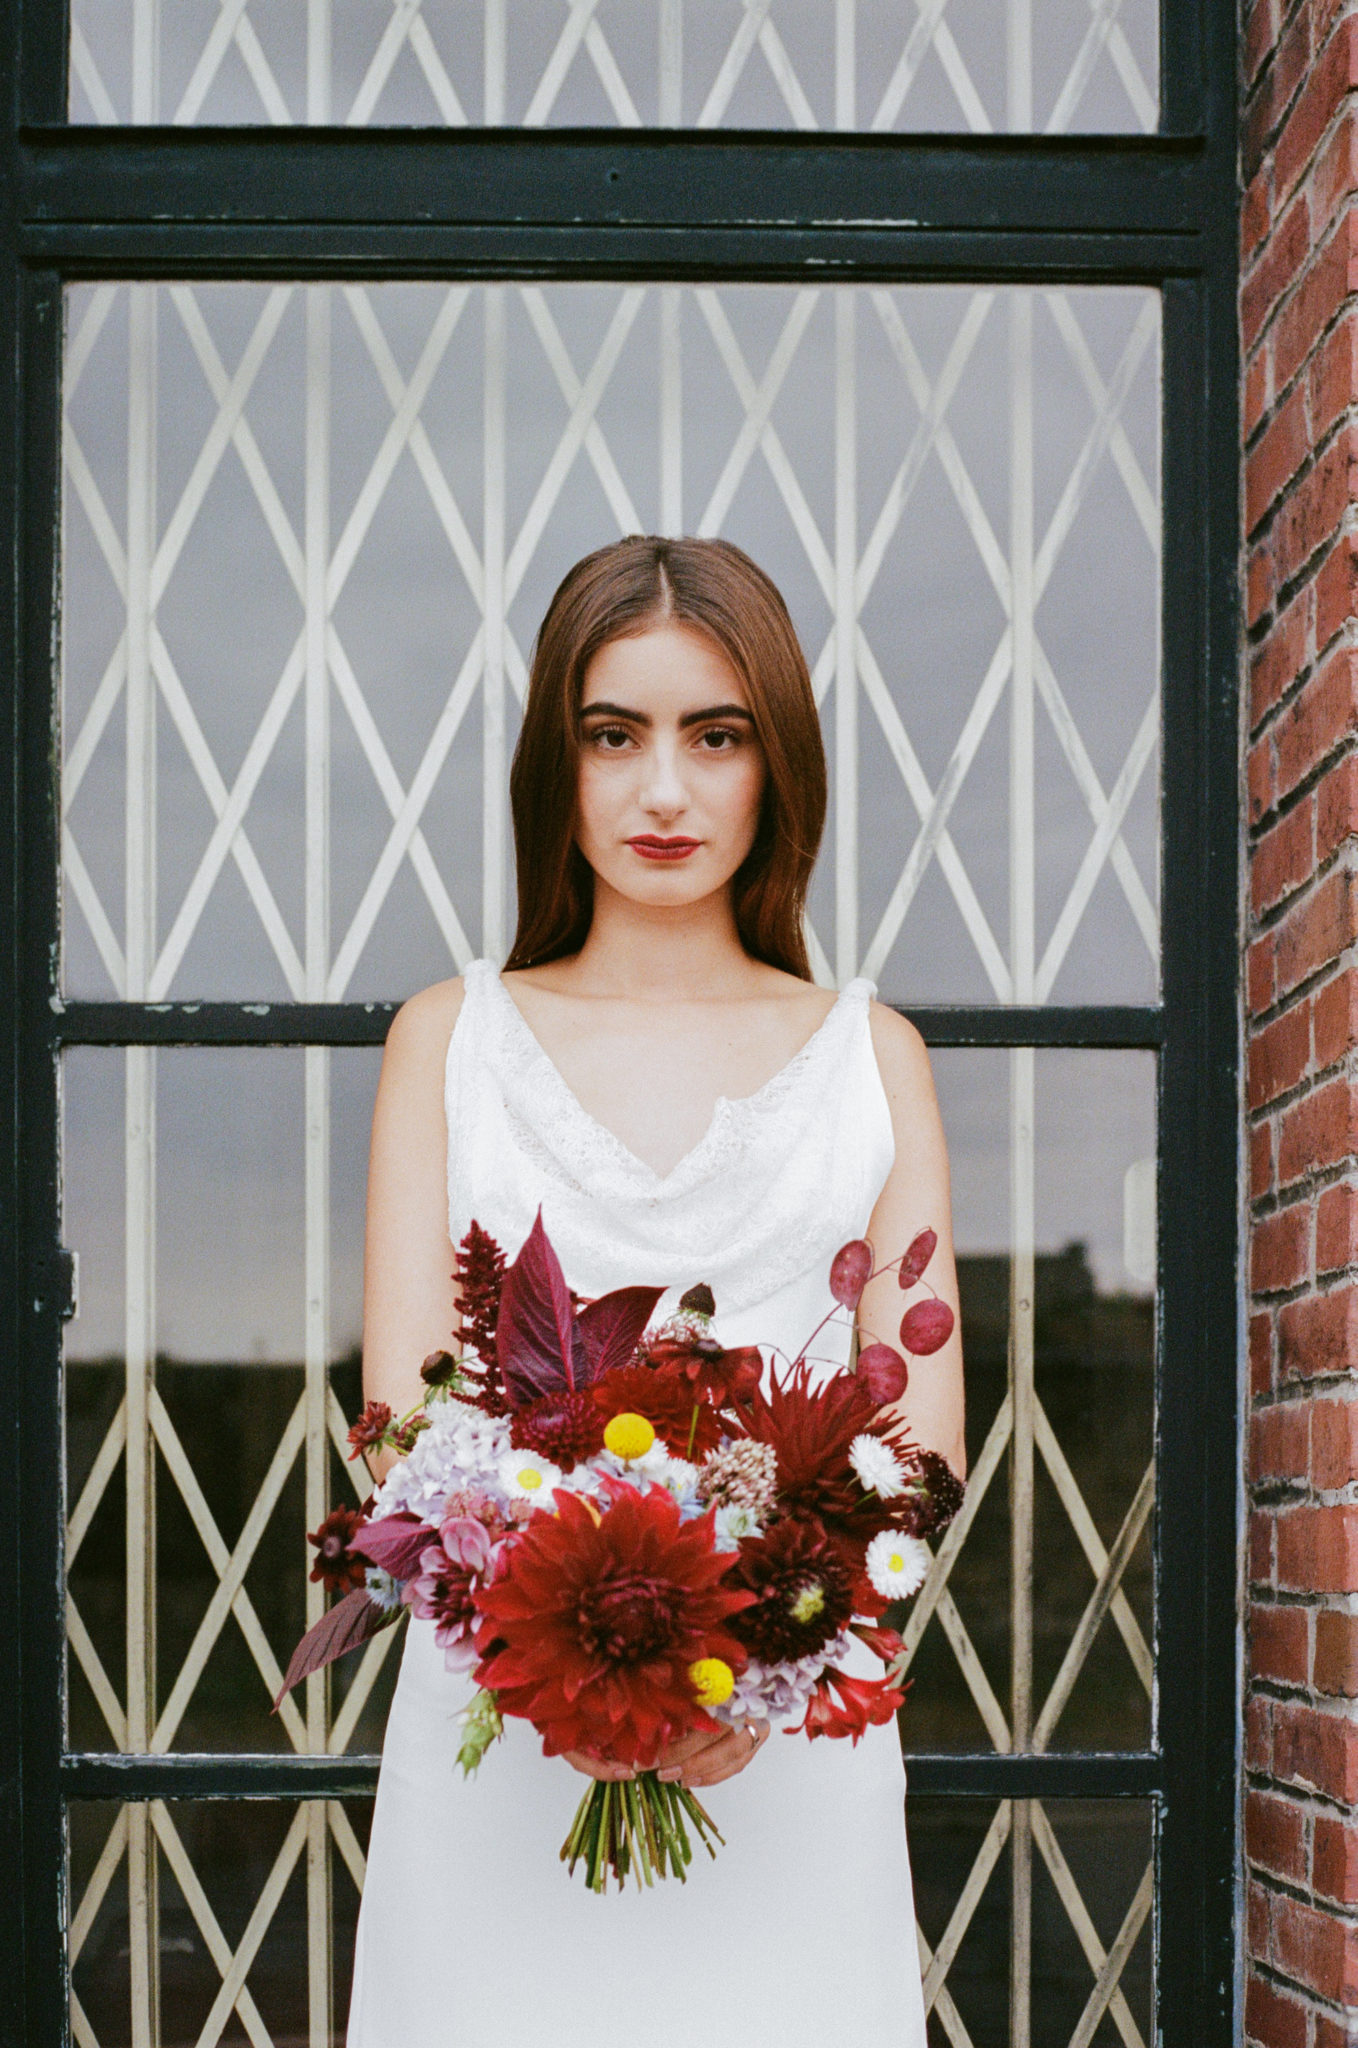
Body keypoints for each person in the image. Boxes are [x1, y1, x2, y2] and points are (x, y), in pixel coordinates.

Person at [347, 535, 965, 2046]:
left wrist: (744, 1683)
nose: (664, 792)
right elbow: (394, 1416)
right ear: (554, 765)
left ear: (780, 765)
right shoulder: (447, 1038)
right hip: (501, 1734)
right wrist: (566, 1663)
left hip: (790, 1755)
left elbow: (917, 1447)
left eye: (715, 735)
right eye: (612, 736)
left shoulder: (872, 1055)